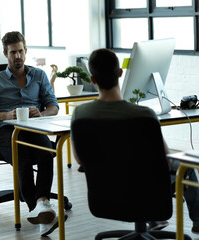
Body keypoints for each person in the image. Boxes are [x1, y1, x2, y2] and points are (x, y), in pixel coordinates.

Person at [70, 48, 199, 234]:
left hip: (105, 195)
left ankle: (154, 219)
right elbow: (168, 160)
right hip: (147, 191)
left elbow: (81, 160)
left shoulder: (80, 115)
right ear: (120, 73)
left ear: (93, 80)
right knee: (185, 167)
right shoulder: (144, 115)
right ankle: (197, 221)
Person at [0, 31, 65, 237]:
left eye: (20, 51)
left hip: (34, 127)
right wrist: (6, 115)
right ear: (5, 53)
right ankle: (39, 208)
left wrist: (40, 113)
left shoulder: (39, 75)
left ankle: (41, 206)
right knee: (21, 155)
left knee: (46, 152)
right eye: (13, 52)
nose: (17, 56)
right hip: (8, 131)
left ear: (26, 51)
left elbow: (54, 107)